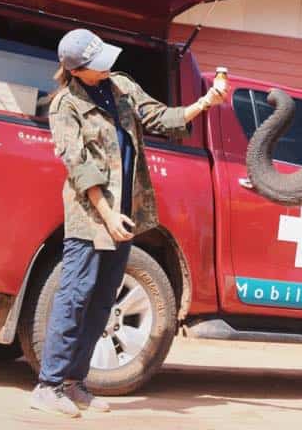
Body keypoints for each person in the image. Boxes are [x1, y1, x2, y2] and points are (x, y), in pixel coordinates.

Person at [30, 28, 226, 417]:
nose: (106, 67)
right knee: (74, 297)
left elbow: (159, 116)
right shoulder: (65, 106)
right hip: (91, 217)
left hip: (125, 212)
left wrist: (205, 102)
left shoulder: (118, 85)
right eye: (97, 64)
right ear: (77, 69)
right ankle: (48, 385)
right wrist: (107, 215)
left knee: (103, 300)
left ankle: (75, 383)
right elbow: (79, 168)